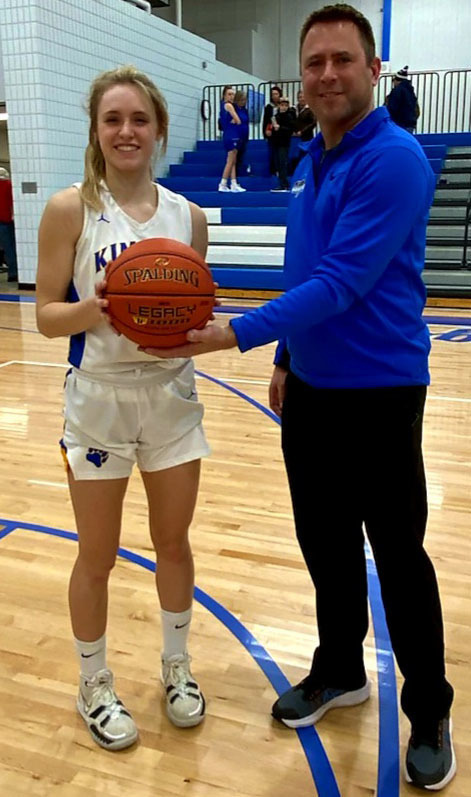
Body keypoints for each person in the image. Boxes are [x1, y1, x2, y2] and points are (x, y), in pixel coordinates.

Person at [140, 4, 456, 791]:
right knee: (323, 544)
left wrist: (232, 334)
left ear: (372, 68)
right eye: (313, 62)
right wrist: (284, 353)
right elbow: (305, 268)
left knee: (399, 557)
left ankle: (429, 707)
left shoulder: (393, 160)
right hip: (311, 389)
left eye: (341, 60)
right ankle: (339, 668)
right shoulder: (317, 154)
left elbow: (343, 282)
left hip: (380, 394)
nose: (324, 74)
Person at [35, 65, 210, 751]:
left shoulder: (186, 217)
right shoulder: (69, 208)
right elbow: (47, 314)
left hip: (170, 396)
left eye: (139, 119)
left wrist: (194, 312)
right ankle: (93, 681)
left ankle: (176, 666)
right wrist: (96, 305)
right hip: (99, 402)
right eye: (113, 120)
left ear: (159, 129)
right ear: (97, 131)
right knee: (96, 555)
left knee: (173, 543)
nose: (126, 131)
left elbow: (190, 313)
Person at [218, 85, 246, 193]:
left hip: (230, 133)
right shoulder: (228, 106)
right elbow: (238, 120)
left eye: (233, 94)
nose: (231, 96)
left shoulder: (225, 106)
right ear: (224, 95)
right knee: (230, 161)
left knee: (233, 160)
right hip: (231, 134)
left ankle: (233, 183)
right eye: (229, 94)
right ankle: (223, 183)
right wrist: (236, 120)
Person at [270, 98, 296, 192]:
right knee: (278, 163)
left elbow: (290, 129)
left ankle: (284, 184)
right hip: (276, 142)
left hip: (284, 143)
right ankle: (281, 183)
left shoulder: (289, 116)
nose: (283, 107)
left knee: (282, 163)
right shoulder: (276, 116)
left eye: (285, 105)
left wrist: (280, 127)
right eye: (282, 105)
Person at [385, 66, 420, 133]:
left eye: (393, 80)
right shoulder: (410, 90)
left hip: (400, 124)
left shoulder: (397, 91)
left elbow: (392, 108)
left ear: (397, 80)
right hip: (410, 123)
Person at [0, 166, 18, 282]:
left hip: (1, 220)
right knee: (12, 246)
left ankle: (12, 272)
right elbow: (13, 202)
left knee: (7, 248)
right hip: (9, 219)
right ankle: (14, 272)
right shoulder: (9, 185)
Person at [262, 86, 282, 176]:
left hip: (281, 132)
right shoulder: (268, 107)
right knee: (272, 152)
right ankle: (273, 170)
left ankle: (280, 170)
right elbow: (265, 120)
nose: (274, 96)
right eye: (273, 94)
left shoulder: (283, 105)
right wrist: (265, 132)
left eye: (276, 94)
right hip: (271, 132)